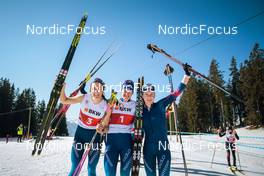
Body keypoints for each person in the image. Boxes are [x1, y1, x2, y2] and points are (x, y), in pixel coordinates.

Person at [142, 64, 191, 176]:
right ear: (143, 96)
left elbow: (177, 93)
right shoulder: (140, 111)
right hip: (148, 149)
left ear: (154, 95)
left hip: (163, 147)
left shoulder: (160, 105)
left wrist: (186, 75)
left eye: (151, 94)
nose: (149, 96)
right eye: (146, 94)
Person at [60, 78, 112, 176]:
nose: (96, 91)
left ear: (103, 90)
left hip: (94, 138)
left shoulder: (106, 106)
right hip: (80, 136)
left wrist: (101, 129)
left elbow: (105, 128)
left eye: (99, 89)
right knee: (75, 166)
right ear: (90, 89)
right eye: (94, 88)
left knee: (91, 169)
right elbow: (64, 100)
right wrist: (62, 87)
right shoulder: (84, 98)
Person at [99, 80, 136, 176]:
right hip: (111, 141)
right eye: (124, 90)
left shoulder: (136, 105)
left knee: (125, 173)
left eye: (129, 90)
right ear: (121, 90)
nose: (126, 93)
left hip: (126, 141)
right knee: (110, 173)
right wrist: (110, 108)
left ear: (132, 92)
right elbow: (104, 122)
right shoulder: (113, 102)